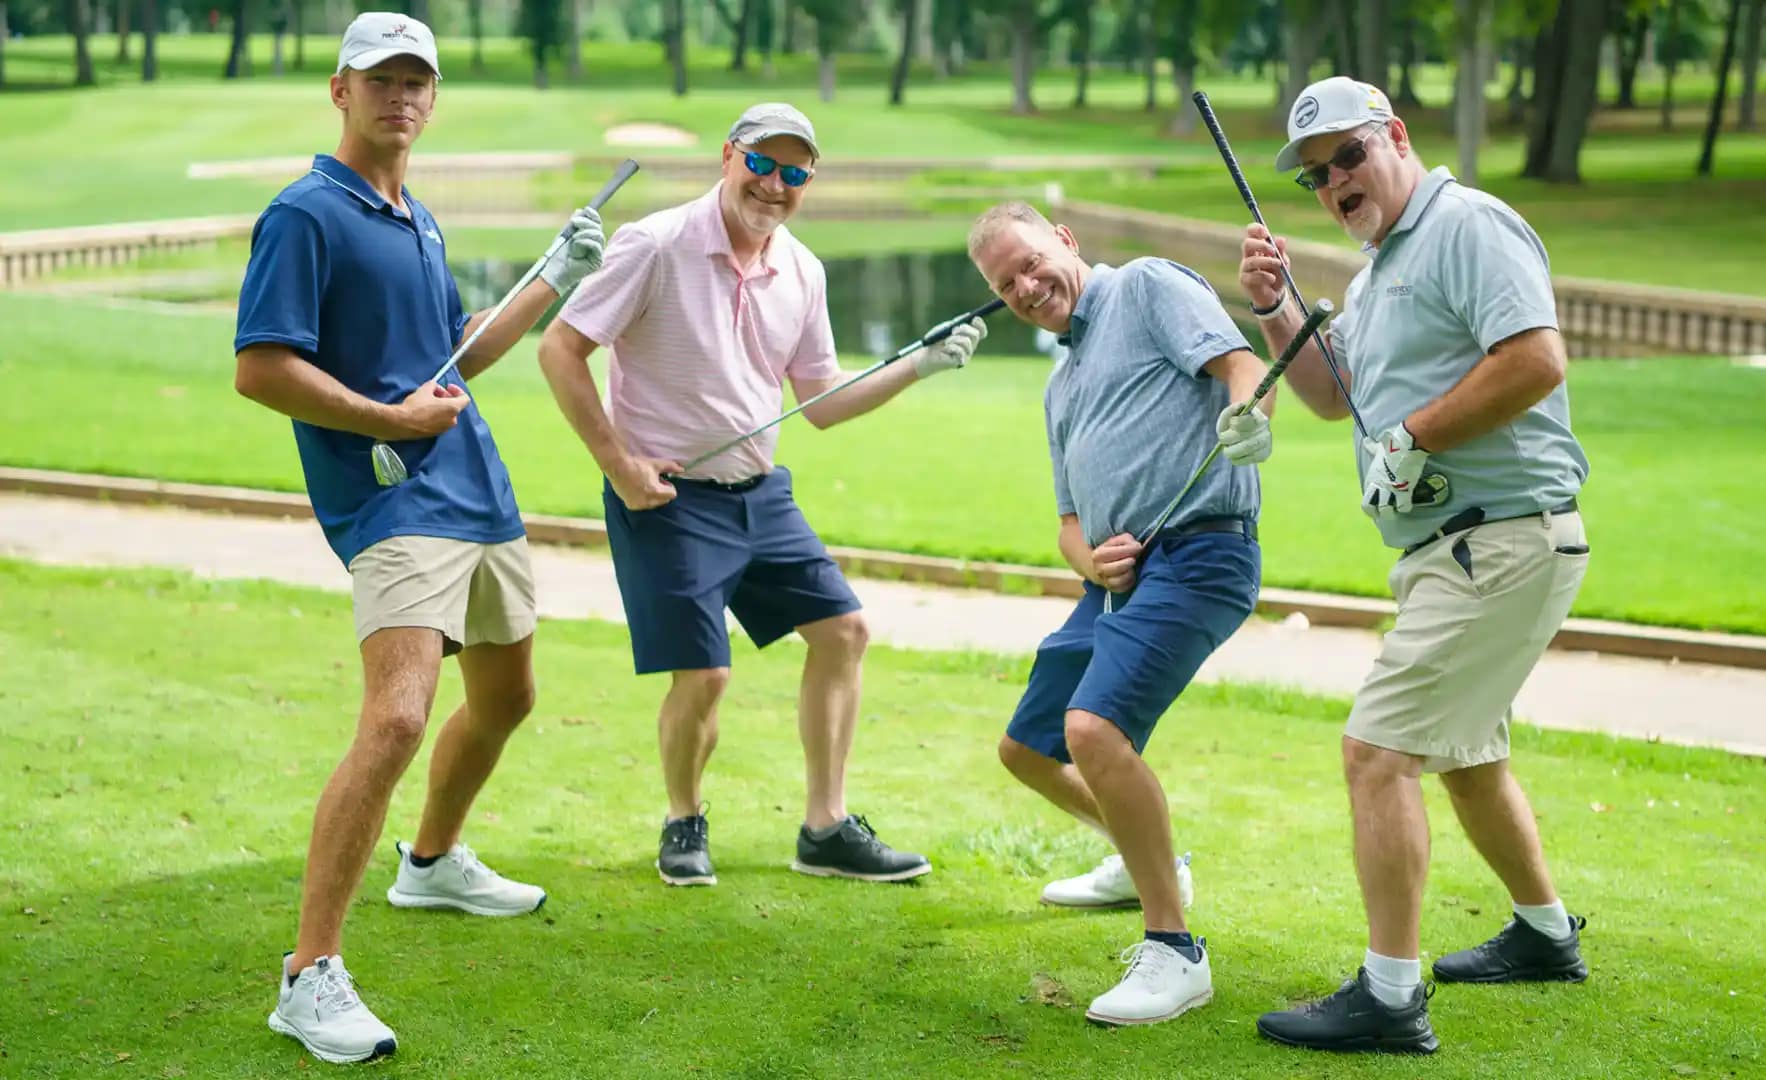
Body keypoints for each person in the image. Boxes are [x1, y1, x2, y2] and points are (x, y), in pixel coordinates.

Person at [232, 13, 606, 1064]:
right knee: (397, 719)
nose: (400, 97)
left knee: (509, 697)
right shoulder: (306, 215)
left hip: (478, 491)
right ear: (339, 92)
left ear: (432, 101)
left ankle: (431, 861)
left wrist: (553, 276)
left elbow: (451, 361)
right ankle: (309, 976)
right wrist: (390, 424)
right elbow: (261, 366)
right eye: (380, 79)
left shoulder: (415, 218)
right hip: (392, 498)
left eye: (417, 82)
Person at [1224, 76, 1592, 1056]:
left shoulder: (1465, 224)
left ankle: (1390, 997)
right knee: (1467, 757)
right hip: (1455, 549)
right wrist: (1274, 307)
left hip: (1502, 537)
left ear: (1395, 136)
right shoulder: (1383, 265)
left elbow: (1538, 360)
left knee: (1376, 753)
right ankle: (1546, 935)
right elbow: (1332, 395)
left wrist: (1417, 435)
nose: (1335, 181)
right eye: (1315, 175)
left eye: (1347, 155)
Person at [536, 104, 983, 889]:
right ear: (727, 157)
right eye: (763, 164)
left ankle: (825, 829)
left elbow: (820, 403)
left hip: (760, 494)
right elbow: (561, 349)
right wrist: (616, 465)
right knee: (704, 675)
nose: (775, 185)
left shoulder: (803, 270)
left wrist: (920, 364)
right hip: (665, 498)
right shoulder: (656, 244)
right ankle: (683, 818)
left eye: (796, 172)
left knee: (843, 632)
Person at [967, 201, 1274, 1027]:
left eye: (1032, 263)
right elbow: (1069, 524)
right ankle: (1148, 860)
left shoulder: (1144, 286)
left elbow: (1240, 367)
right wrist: (1088, 560)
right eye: (1007, 284)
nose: (1027, 287)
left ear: (1065, 241)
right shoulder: (1060, 384)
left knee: (1094, 732)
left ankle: (1175, 952)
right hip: (1114, 583)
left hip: (1201, 553)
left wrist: (1251, 417)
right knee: (1026, 749)